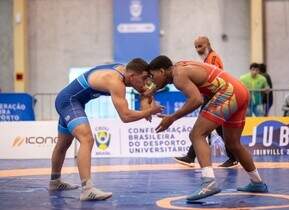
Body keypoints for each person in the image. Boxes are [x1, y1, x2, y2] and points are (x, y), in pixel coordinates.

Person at [148, 55, 268, 201]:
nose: (152, 81)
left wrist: (172, 117)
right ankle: (257, 182)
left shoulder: (178, 76)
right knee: (233, 144)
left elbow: (196, 100)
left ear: (162, 71)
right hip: (240, 91)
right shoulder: (180, 67)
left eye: (153, 77)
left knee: (196, 135)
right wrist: (151, 90)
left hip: (228, 92)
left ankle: (208, 183)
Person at [49, 58, 163, 201]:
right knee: (87, 139)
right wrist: (149, 112)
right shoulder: (115, 81)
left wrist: (146, 102)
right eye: (144, 78)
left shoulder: (127, 72)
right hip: (69, 102)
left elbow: (145, 90)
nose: (146, 82)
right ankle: (87, 190)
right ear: (133, 76)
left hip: (70, 100)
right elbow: (125, 116)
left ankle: (55, 181)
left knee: (63, 144)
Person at [174, 36, 238, 168]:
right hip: (212, 96)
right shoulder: (207, 58)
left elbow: (214, 77)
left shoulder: (213, 58)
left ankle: (191, 157)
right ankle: (233, 157)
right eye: (196, 47)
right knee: (216, 129)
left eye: (200, 46)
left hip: (214, 96)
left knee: (201, 128)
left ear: (208, 44)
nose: (198, 49)